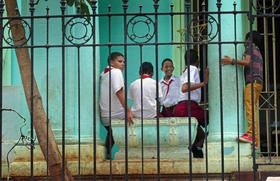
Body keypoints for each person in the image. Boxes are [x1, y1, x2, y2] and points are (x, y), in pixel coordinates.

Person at [222, 31, 263, 148]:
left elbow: (247, 62)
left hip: (252, 82)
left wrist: (232, 61)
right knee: (252, 109)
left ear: (249, 39)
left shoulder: (250, 48)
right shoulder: (258, 51)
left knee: (250, 108)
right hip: (258, 83)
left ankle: (251, 135)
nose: (244, 42)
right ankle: (254, 138)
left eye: (246, 40)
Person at [173, 49, 209, 158]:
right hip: (188, 107)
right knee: (214, 117)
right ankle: (196, 149)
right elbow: (185, 88)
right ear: (197, 60)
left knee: (200, 135)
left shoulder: (186, 70)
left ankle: (195, 149)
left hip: (181, 107)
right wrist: (204, 83)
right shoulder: (193, 69)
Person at [99, 52, 134, 159]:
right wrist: (128, 110)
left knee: (112, 132)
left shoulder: (104, 74)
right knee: (135, 123)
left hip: (104, 114)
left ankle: (106, 153)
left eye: (124, 62)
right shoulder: (116, 72)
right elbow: (119, 92)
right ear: (111, 62)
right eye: (120, 61)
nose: (123, 64)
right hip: (115, 114)